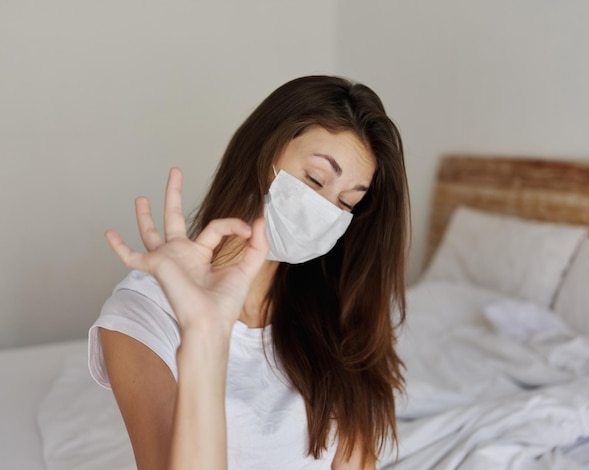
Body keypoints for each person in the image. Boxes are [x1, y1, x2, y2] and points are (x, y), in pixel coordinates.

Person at [88, 75, 410, 469]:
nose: (326, 211)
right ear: (263, 152)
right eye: (315, 179)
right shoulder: (141, 311)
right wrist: (206, 331)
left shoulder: (335, 311)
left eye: (346, 202)